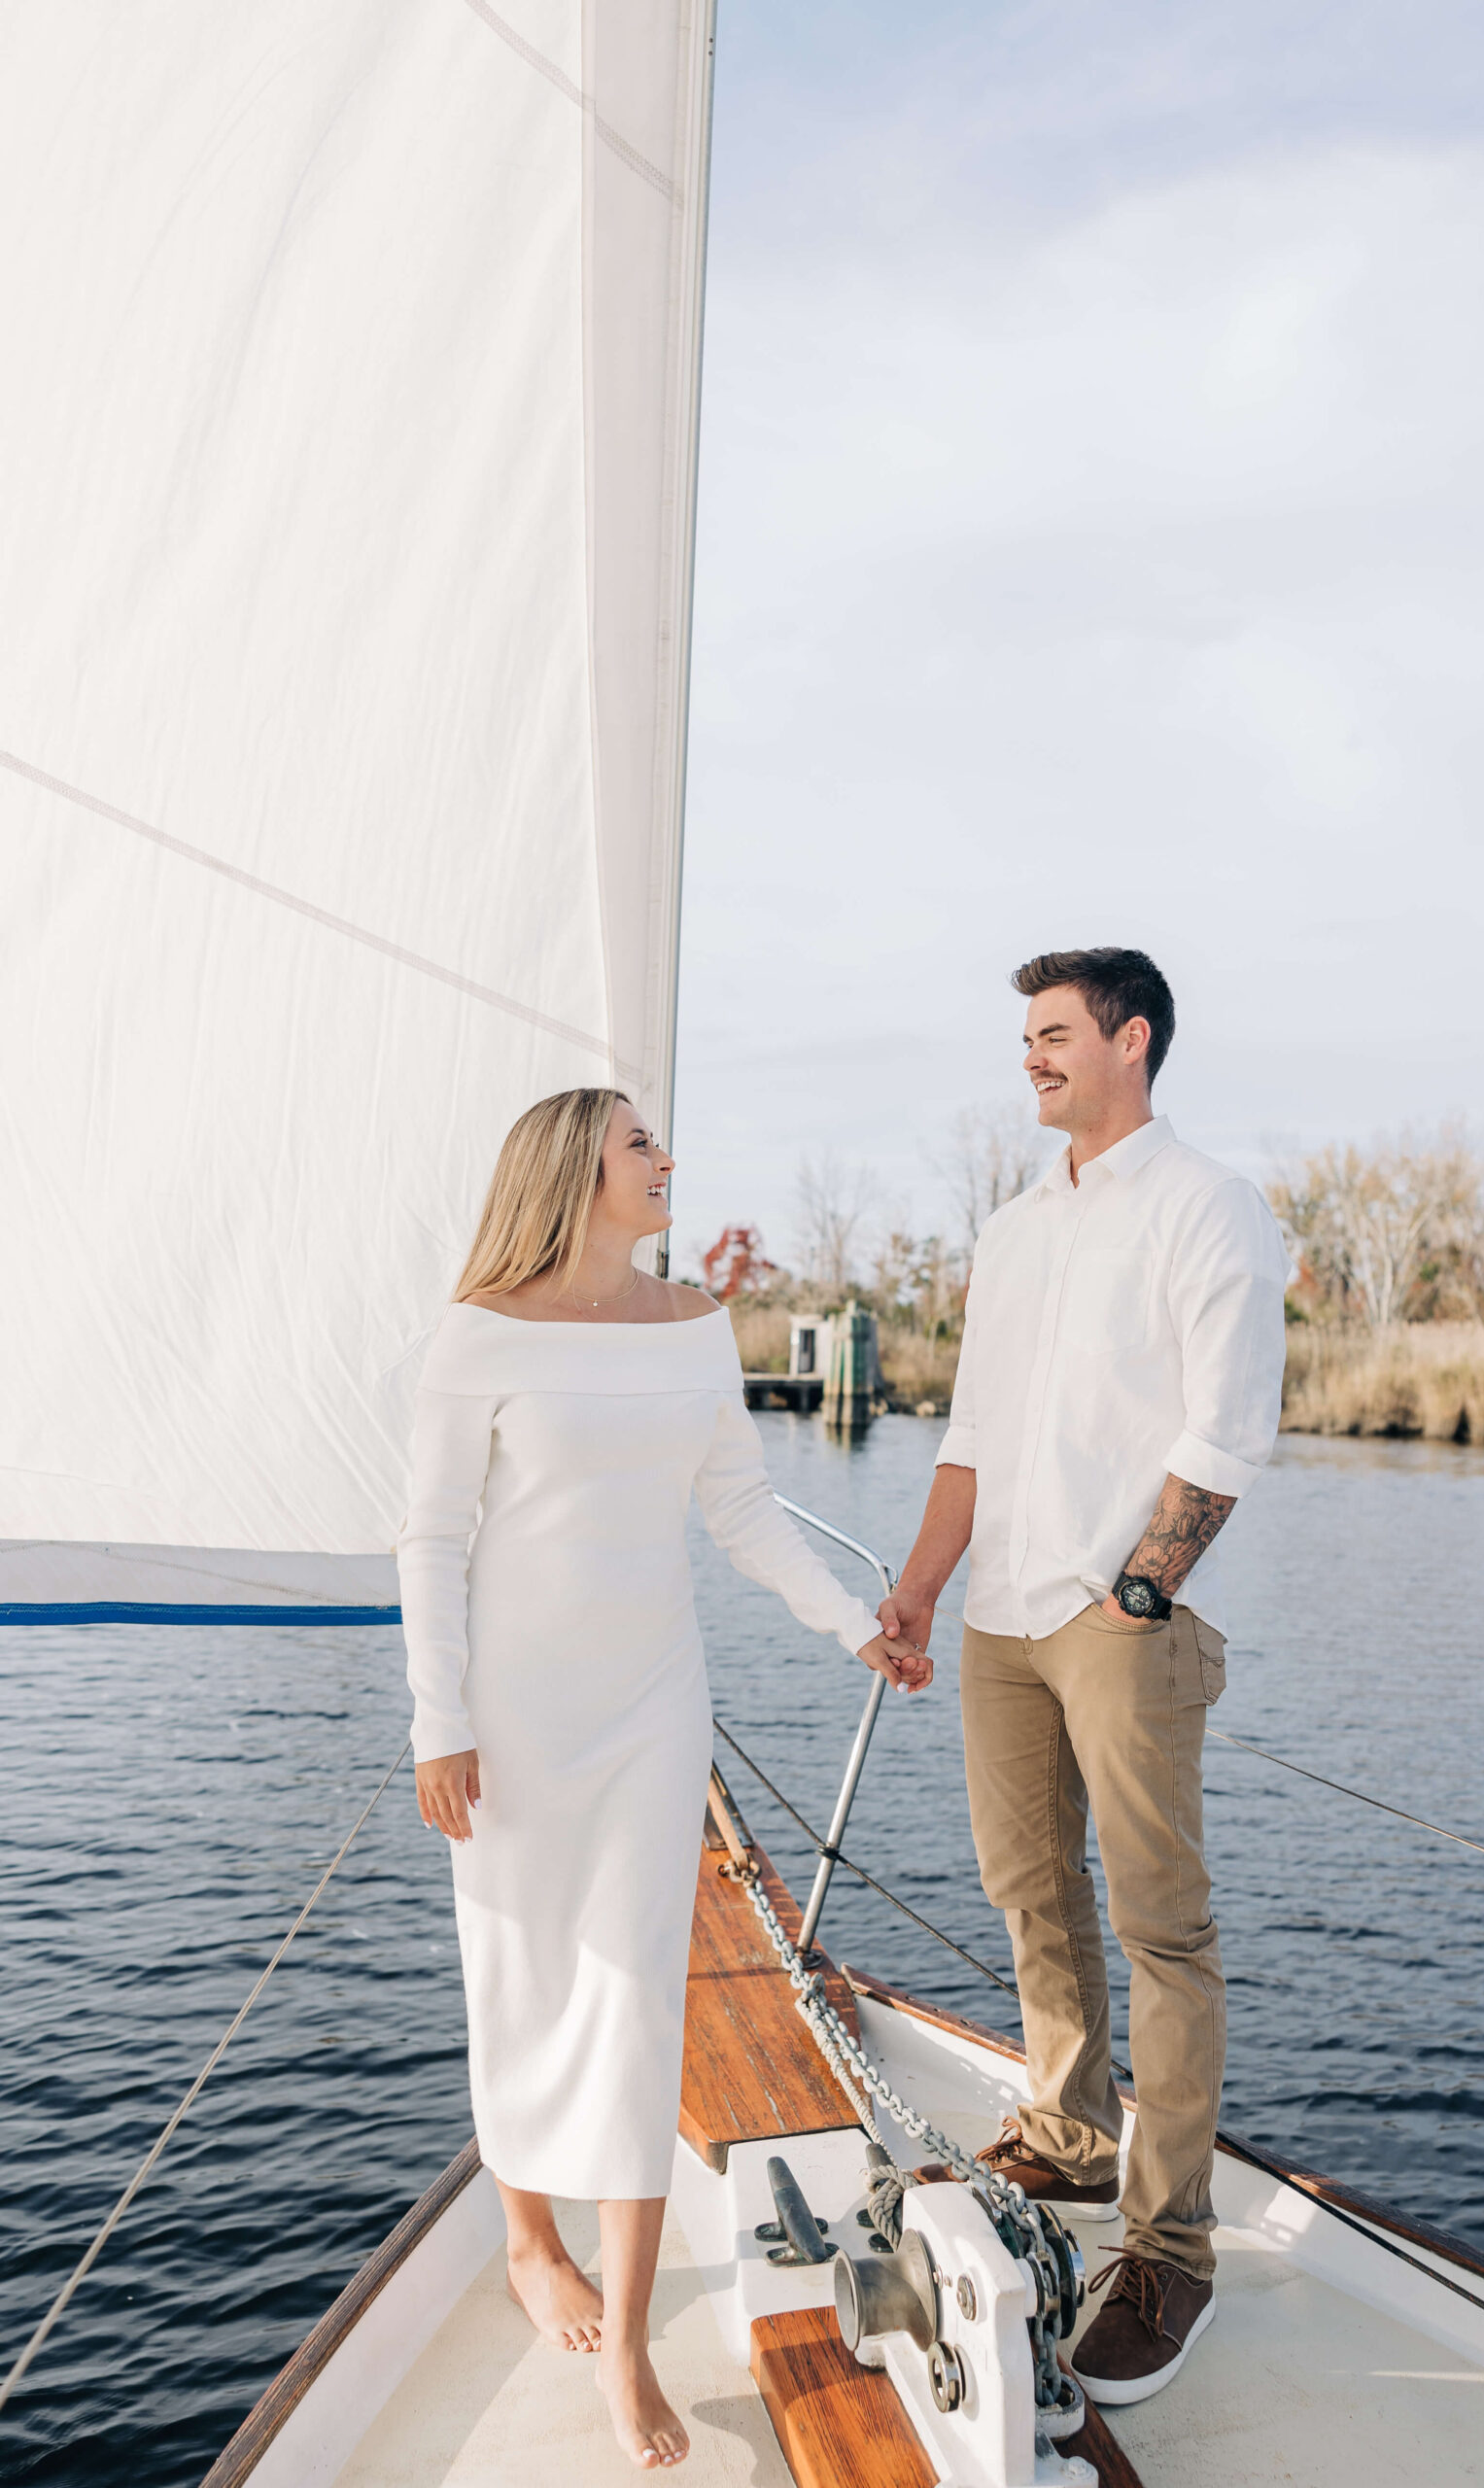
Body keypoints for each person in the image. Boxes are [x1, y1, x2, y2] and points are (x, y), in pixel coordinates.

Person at [398, 1088, 929, 2471]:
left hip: (648, 1710)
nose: (667, 1159)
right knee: (517, 1970)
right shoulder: (478, 1333)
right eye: (641, 1143)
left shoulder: (697, 1324)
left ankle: (626, 2347)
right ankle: (528, 2241)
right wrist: (434, 1721)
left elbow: (741, 1506)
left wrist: (848, 1625)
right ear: (576, 1169)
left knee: (638, 2000)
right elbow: (431, 1537)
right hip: (509, 1715)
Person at [879, 947, 1288, 2407]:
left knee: (1163, 1934)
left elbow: (1230, 1429)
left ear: (1134, 1039)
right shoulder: (1009, 1232)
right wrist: (920, 1591)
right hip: (995, 1620)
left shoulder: (1208, 1205)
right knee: (1028, 1891)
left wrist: (1139, 1594)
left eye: (1055, 1035)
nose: (1033, 1058)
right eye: (1027, 1038)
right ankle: (1067, 2136)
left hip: (1119, 1623)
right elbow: (973, 1440)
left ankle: (1171, 2252)